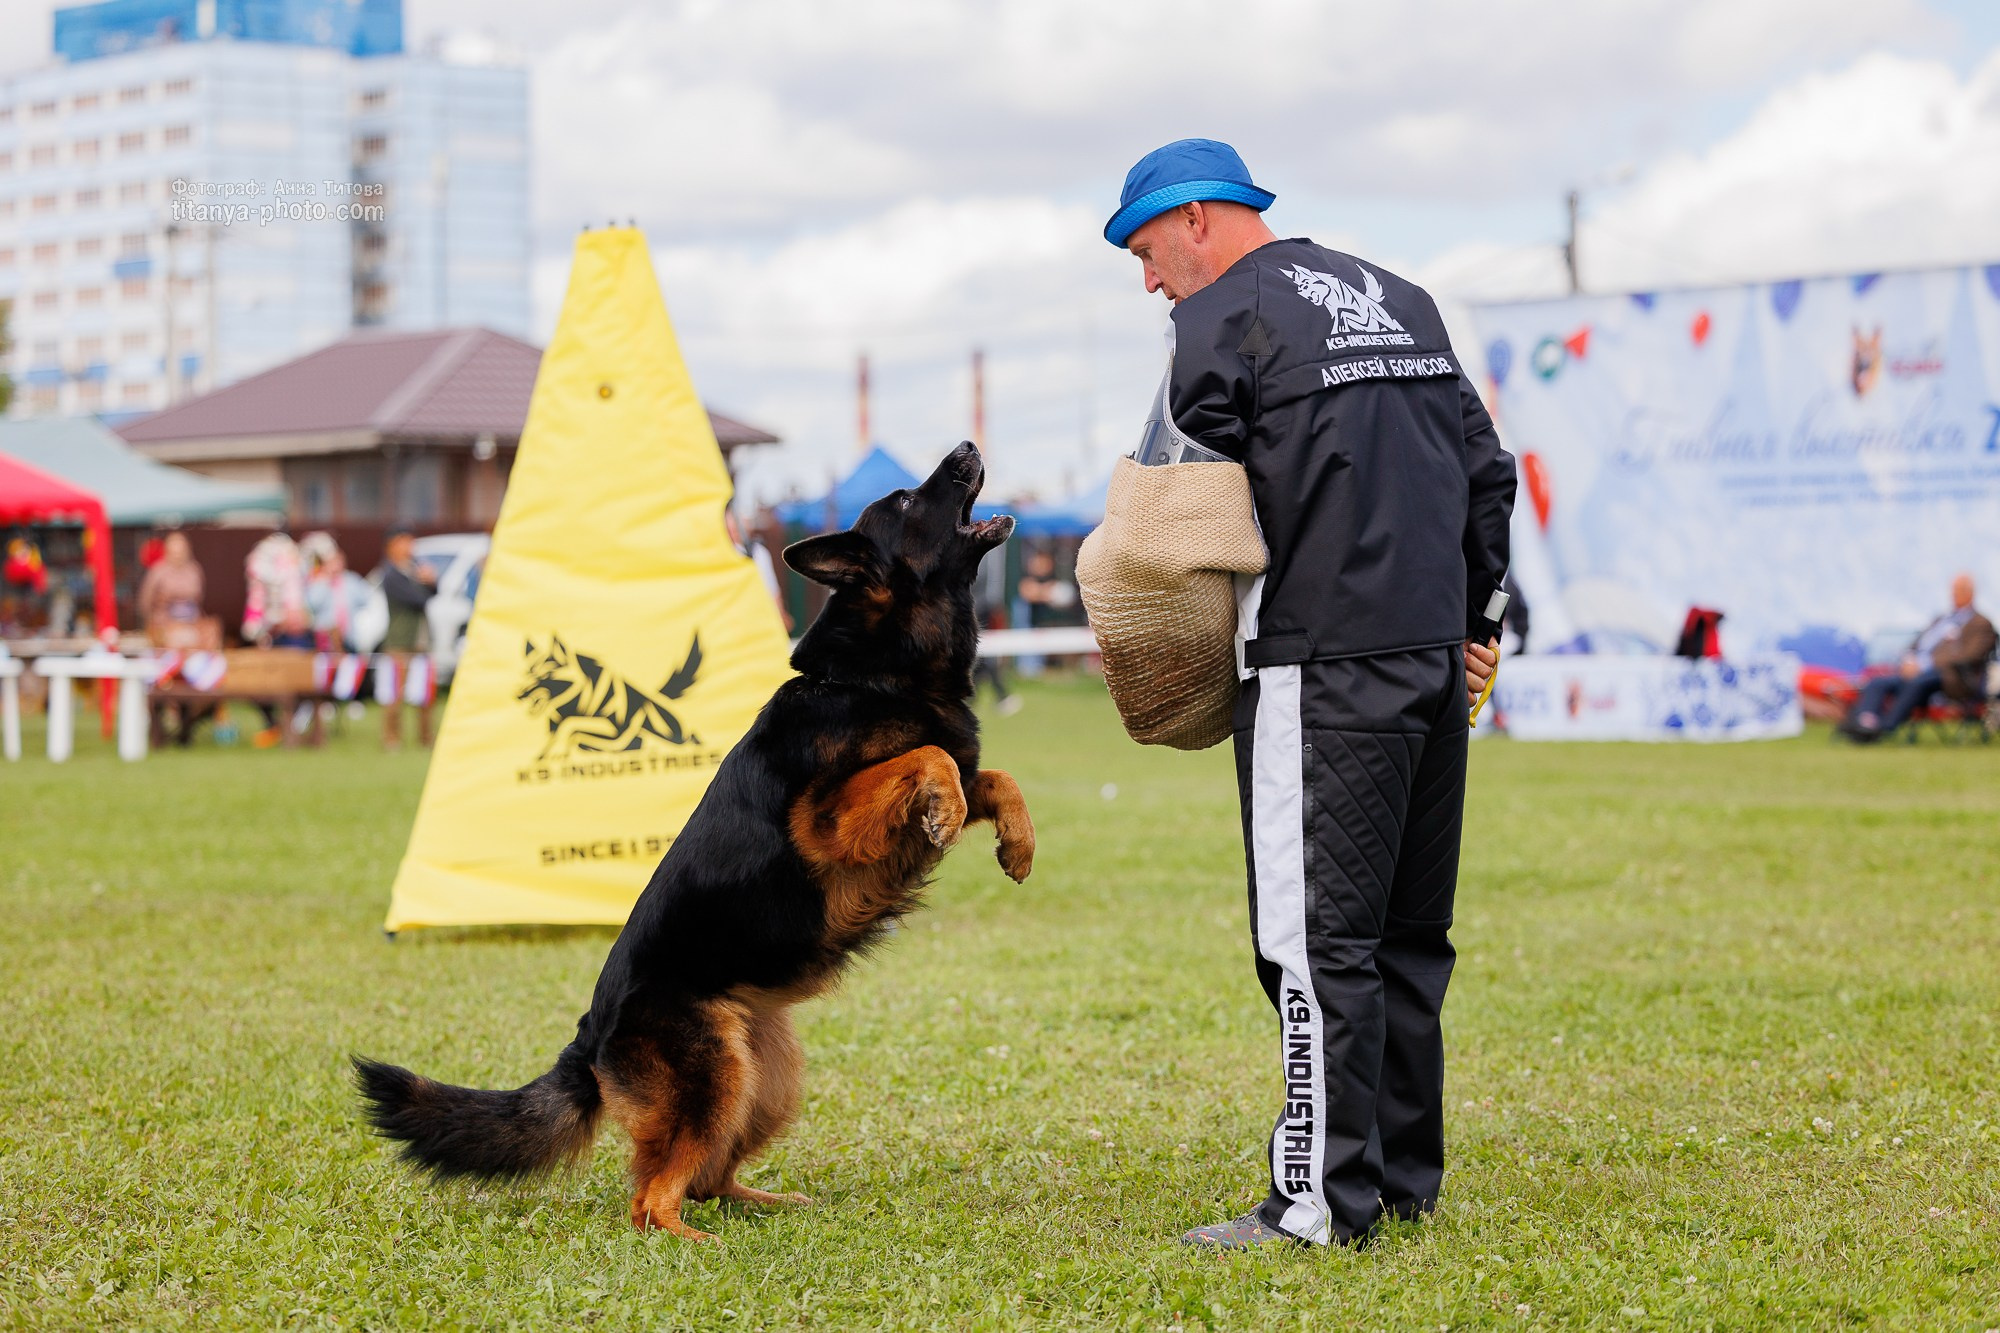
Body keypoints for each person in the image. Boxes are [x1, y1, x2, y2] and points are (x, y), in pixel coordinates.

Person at [1104, 139, 1513, 1249]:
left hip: (1312, 665)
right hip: (1430, 658)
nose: (1147, 280)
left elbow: (1169, 506)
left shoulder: (1215, 323)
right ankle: (1399, 1179)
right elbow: (1487, 469)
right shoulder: (1407, 299)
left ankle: (1317, 1203)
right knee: (1404, 935)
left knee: (1309, 940)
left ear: (1195, 218)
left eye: (1144, 249)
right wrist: (1475, 624)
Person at [1840, 574, 1993, 740]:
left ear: (1971, 593)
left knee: (1917, 683)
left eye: (1959, 590)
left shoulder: (1981, 623)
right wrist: (1909, 660)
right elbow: (1916, 644)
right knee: (1877, 683)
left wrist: (1925, 664)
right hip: (1917, 671)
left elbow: (1971, 655)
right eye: (1953, 590)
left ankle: (1883, 728)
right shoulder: (1941, 619)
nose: (1954, 595)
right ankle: (1864, 723)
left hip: (1952, 677)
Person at [373, 528, 437, 749]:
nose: (410, 547)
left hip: (421, 641)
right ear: (392, 545)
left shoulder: (415, 568)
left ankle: (426, 737)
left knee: (426, 695)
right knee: (394, 695)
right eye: (405, 542)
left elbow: (432, 594)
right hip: (399, 642)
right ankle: (391, 739)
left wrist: (430, 582)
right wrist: (425, 583)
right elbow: (418, 600)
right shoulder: (390, 574)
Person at [137, 531, 206, 648]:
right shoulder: (158, 571)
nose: (178, 555)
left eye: (181, 551)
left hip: (190, 625)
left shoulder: (194, 570)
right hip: (164, 626)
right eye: (174, 551)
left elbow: (199, 597)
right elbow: (145, 601)